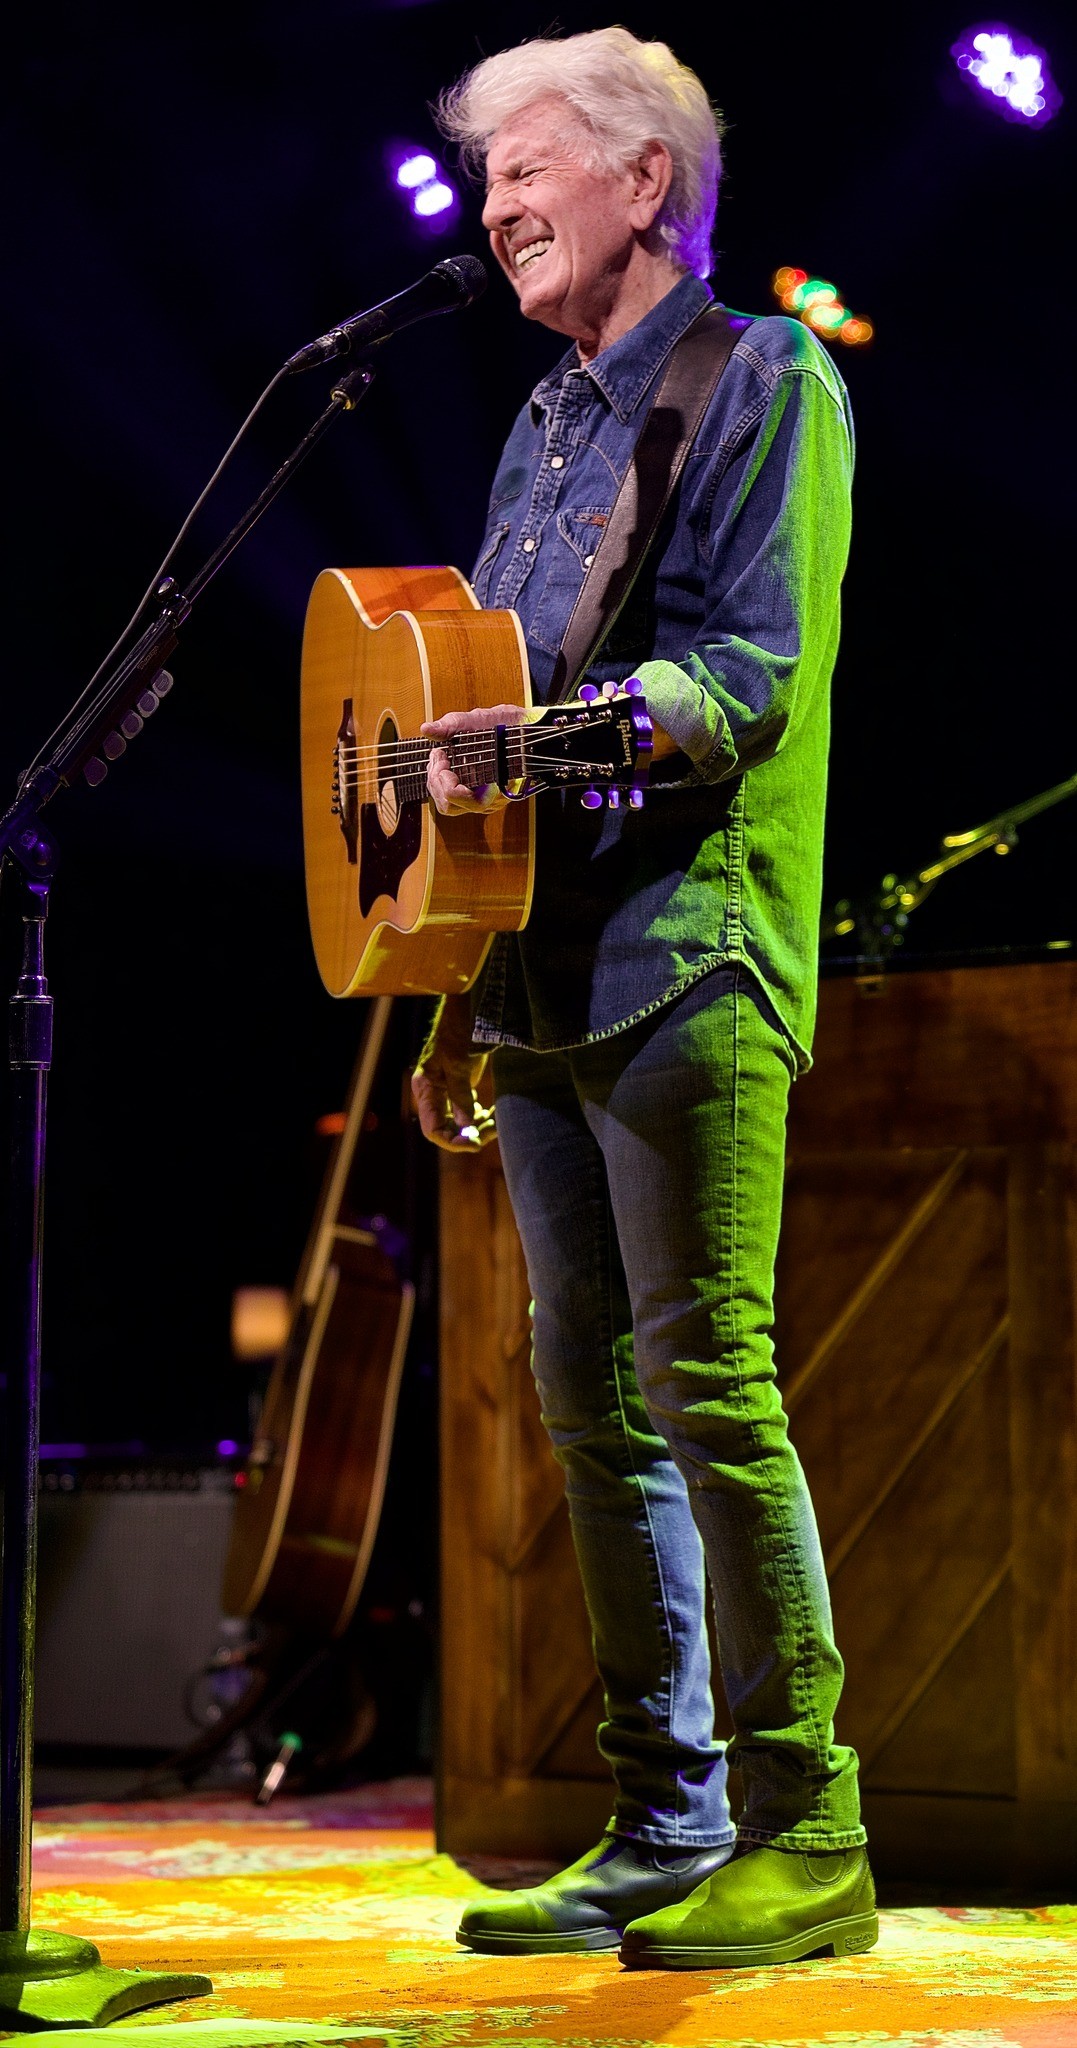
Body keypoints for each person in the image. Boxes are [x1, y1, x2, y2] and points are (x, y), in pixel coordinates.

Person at [411, 26, 876, 1969]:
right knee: (586, 1406)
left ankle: (807, 1827)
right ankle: (664, 1815)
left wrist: (529, 746)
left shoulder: (760, 376)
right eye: (485, 176)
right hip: (535, 971)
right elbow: (472, 721)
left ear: (641, 178)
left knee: (703, 1385)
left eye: (526, 165)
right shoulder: (540, 420)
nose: (495, 203)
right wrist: (449, 980)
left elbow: (746, 677)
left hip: (690, 952)